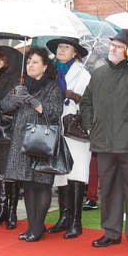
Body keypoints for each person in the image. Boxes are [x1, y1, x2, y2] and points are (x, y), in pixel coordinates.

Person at [80, 29, 128, 252]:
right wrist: (90, 124)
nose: (112, 49)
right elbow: (86, 102)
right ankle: (111, 232)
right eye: (112, 45)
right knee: (109, 190)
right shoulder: (99, 74)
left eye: (118, 46)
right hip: (104, 142)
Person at [0, 47, 64, 242]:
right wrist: (16, 98)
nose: (30, 65)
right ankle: (31, 227)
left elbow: (55, 112)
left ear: (45, 66)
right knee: (27, 184)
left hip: (41, 140)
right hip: (21, 139)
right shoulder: (21, 85)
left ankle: (37, 228)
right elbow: (4, 106)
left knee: (41, 184)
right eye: (28, 62)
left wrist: (35, 102)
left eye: (35, 62)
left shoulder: (52, 86)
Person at [46, 37, 91, 239]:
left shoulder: (84, 74)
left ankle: (76, 221)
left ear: (75, 53)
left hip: (75, 128)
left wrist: (73, 96)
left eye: (66, 47)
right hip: (56, 126)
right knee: (61, 173)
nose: (61, 50)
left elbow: (90, 103)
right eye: (59, 47)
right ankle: (64, 218)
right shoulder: (51, 72)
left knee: (76, 173)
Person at [0, 45, 23, 229]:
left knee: (11, 173)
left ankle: (12, 211)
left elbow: (13, 105)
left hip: (11, 131)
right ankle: (2, 209)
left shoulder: (18, 80)